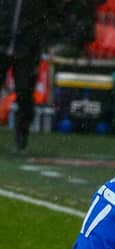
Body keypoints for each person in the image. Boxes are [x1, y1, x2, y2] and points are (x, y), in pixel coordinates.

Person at [0, 0, 57, 152]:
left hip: (28, 50)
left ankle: (21, 138)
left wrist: (41, 43)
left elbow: (50, 16)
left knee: (24, 94)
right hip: (3, 44)